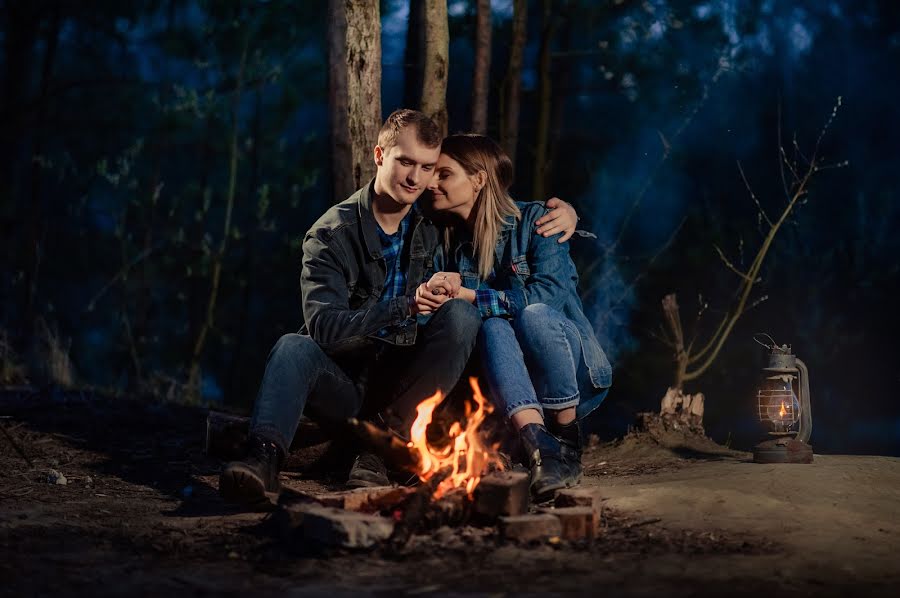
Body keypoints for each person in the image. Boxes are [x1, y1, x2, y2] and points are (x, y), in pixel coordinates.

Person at [219, 110, 579, 505]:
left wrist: (565, 213)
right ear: (379, 156)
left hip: (412, 387)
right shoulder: (330, 234)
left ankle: (379, 449)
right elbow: (323, 327)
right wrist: (403, 307)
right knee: (293, 346)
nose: (415, 178)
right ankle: (262, 460)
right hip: (348, 383)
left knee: (463, 315)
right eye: (405, 162)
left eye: (427, 168)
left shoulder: (436, 221)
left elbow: (496, 210)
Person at [421, 133, 612, 502]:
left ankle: (567, 438)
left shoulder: (539, 221)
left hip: (573, 371)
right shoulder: (451, 245)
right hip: (513, 393)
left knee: (534, 314)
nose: (432, 183)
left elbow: (548, 297)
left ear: (478, 179)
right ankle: (542, 447)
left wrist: (473, 295)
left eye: (444, 174)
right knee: (492, 324)